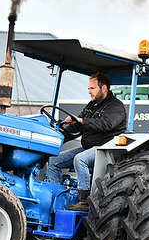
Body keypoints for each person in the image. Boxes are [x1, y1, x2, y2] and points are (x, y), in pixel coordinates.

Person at [48, 73, 127, 212]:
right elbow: (77, 126)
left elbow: (106, 124)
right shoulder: (91, 106)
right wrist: (56, 136)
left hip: (105, 149)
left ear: (104, 88)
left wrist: (82, 121)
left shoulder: (116, 107)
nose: (89, 91)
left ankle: (83, 201)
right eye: (88, 88)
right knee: (54, 161)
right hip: (88, 147)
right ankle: (57, 197)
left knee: (81, 159)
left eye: (92, 88)